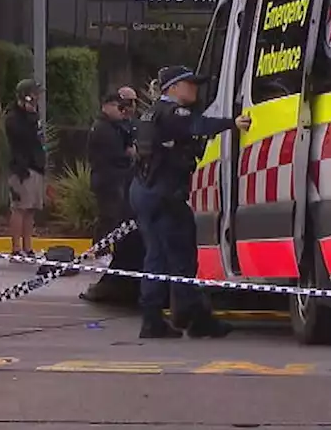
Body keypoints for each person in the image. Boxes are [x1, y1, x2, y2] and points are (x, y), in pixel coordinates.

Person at [133, 65, 250, 339]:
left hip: (146, 190)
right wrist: (233, 122)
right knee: (180, 258)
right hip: (164, 194)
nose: (194, 88)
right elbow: (199, 126)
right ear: (172, 88)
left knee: (158, 257)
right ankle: (192, 318)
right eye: (189, 83)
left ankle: (162, 319)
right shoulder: (174, 113)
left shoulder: (150, 113)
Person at [80, 91, 140, 305]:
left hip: (118, 177)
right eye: (118, 105)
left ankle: (105, 249)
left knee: (116, 217)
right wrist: (127, 153)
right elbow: (114, 153)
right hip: (107, 178)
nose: (122, 109)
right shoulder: (103, 128)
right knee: (108, 215)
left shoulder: (120, 125)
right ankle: (100, 250)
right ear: (107, 105)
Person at [5, 78, 46, 258]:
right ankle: (16, 248)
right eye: (34, 94)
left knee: (31, 209)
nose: (37, 98)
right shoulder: (14, 117)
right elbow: (20, 137)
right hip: (21, 169)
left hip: (35, 166)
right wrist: (28, 116)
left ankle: (28, 247)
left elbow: (38, 140)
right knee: (19, 207)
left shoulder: (34, 116)